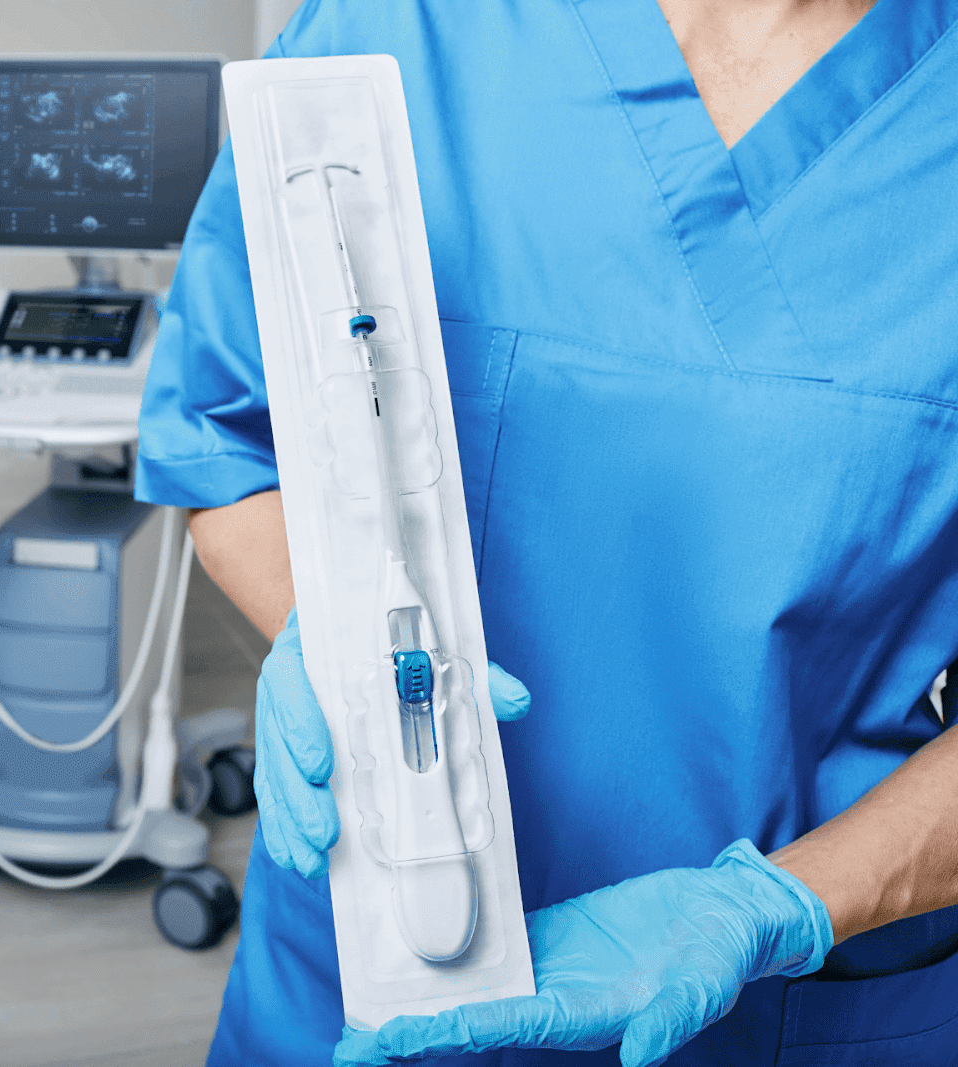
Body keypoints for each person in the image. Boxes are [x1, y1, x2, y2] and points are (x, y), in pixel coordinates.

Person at [135, 0, 958, 1063]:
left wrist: (780, 906)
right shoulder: (399, 31)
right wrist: (341, 641)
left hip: (789, 1007)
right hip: (378, 948)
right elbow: (229, 447)